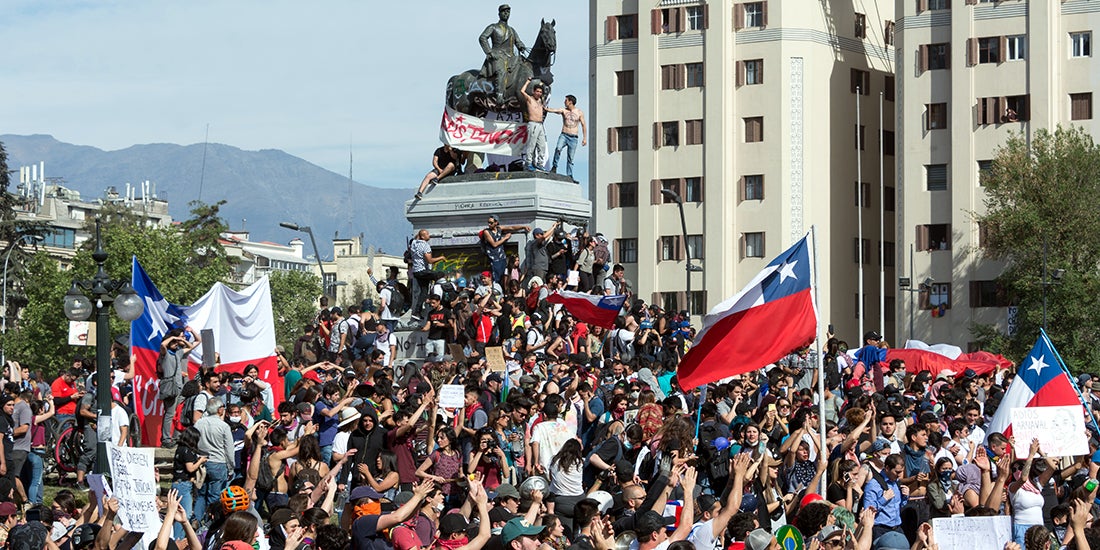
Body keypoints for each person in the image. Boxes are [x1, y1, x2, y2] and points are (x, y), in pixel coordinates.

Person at [158, 326, 201, 447]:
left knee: (179, 413)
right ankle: (166, 439)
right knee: (169, 413)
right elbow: (163, 345)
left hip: (179, 386)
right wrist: (173, 337)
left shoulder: (177, 353)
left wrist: (182, 339)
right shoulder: (165, 354)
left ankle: (176, 437)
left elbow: (191, 346)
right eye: (174, 342)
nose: (176, 343)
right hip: (170, 386)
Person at [194, 397, 235, 524]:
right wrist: (231, 467)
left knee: (201, 494)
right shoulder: (223, 426)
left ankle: (197, 519)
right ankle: (210, 522)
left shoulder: (199, 423)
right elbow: (229, 449)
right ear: (219, 410)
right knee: (214, 496)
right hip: (218, 462)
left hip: (202, 462)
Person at [478, 4, 527, 106]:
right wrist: (490, 52)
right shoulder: (493, 27)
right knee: (502, 71)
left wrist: (521, 46)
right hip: (498, 56)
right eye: (504, 11)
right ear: (499, 13)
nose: (506, 13)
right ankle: (499, 95)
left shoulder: (512, 30)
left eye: (508, 12)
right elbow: (482, 37)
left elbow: (518, 41)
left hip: (511, 57)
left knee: (524, 67)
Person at [409, 229, 447, 320]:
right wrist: (441, 258)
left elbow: (415, 238)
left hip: (416, 272)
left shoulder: (414, 243)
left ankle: (417, 312)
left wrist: (419, 235)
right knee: (439, 274)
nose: (429, 236)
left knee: (424, 291)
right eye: (427, 234)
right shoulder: (425, 246)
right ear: (422, 236)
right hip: (422, 271)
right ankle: (439, 294)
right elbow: (429, 260)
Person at [547, 94, 587, 180]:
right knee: (558, 148)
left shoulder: (579, 112)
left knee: (570, 157)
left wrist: (584, 138)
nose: (564, 102)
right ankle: (554, 166)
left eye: (566, 101)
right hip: (564, 135)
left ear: (570, 102)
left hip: (574, 137)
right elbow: (555, 110)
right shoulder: (564, 110)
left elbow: (583, 125)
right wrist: (546, 109)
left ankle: (569, 174)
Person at [480, 215, 530, 284]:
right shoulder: (487, 232)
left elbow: (511, 227)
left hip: (502, 257)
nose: (489, 224)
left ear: (496, 222)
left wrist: (523, 226)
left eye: (491, 222)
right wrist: (505, 238)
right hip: (494, 258)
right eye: (488, 222)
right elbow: (494, 244)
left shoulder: (499, 229)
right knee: (496, 277)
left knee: (504, 276)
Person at [520, 78, 548, 170]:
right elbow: (522, 91)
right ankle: (528, 163)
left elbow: (546, 89)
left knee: (542, 145)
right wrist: (527, 81)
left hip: (540, 125)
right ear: (533, 91)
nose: (539, 93)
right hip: (533, 124)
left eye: (540, 92)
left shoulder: (541, 100)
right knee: (531, 145)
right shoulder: (530, 99)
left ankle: (540, 163)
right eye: (537, 91)